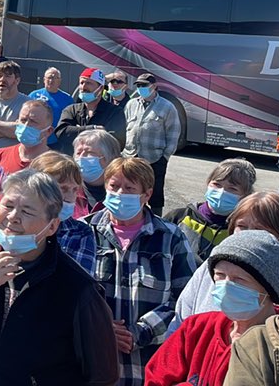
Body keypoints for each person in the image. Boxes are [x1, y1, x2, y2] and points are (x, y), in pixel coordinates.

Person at [0, 169, 119, 385]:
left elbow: (104, 375)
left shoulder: (77, 286)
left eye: (27, 211)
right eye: (8, 206)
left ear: (52, 226)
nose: (13, 217)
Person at [86, 157, 197, 386]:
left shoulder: (171, 237)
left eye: (129, 188)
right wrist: (101, 328)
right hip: (92, 362)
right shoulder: (84, 231)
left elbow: (186, 299)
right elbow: (67, 294)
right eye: (114, 186)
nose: (119, 193)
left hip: (148, 366)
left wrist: (140, 332)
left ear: (146, 195)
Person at [146, 230, 279, 386]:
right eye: (220, 275)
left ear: (269, 289)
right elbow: (156, 378)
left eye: (239, 279)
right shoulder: (196, 328)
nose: (226, 285)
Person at [172, 191, 279, 334]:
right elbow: (179, 324)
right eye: (242, 226)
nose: (247, 235)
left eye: (260, 230)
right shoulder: (213, 266)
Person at [0, 151, 98, 270]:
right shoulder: (2, 219)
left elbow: (78, 279)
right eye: (62, 189)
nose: (70, 197)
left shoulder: (80, 233)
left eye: (75, 190)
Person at [0, 99, 54, 233]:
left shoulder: (54, 167)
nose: (26, 125)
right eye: (23, 120)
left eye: (33, 122)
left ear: (48, 131)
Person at [164, 158, 258, 261]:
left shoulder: (242, 229)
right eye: (217, 184)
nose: (221, 192)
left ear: (246, 195)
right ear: (208, 183)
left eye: (232, 189)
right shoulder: (179, 217)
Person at [122, 72, 181, 216]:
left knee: (155, 195)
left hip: (155, 158)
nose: (140, 88)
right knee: (130, 190)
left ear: (154, 86)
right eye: (138, 85)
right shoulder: (131, 104)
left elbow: (173, 133)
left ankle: (155, 221)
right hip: (131, 157)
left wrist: (165, 157)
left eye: (144, 85)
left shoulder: (167, 107)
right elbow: (124, 128)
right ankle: (131, 216)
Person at [55, 67, 127, 154]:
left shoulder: (114, 112)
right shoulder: (71, 110)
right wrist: (93, 129)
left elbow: (118, 143)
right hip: (73, 160)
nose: (83, 87)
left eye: (88, 83)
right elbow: (61, 132)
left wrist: (77, 131)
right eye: (81, 83)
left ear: (100, 88)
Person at [73, 128, 123, 208]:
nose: (81, 157)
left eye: (89, 153)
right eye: (78, 153)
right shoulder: (69, 190)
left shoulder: (125, 191)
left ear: (110, 158)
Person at [29, 67, 73, 147]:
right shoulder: (34, 95)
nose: (51, 80)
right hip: (35, 139)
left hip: (56, 141)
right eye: (49, 77)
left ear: (59, 81)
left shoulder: (67, 99)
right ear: (44, 79)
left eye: (54, 78)